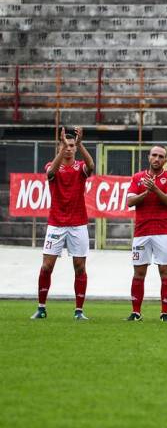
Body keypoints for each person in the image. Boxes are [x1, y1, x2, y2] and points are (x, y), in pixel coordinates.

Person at [33, 126, 94, 320]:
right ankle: (41, 308)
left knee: (80, 266)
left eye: (71, 146)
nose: (69, 148)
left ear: (75, 148)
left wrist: (80, 143)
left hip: (78, 224)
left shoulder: (80, 167)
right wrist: (61, 150)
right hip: (56, 223)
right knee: (47, 266)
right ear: (60, 146)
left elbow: (91, 166)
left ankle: (79, 311)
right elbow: (50, 173)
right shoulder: (53, 165)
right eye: (65, 145)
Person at [126, 145, 167, 321]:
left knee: (165, 271)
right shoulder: (138, 178)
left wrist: (155, 189)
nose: (157, 159)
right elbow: (130, 201)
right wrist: (146, 192)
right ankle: (136, 312)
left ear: (165, 160)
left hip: (162, 232)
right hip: (141, 231)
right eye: (154, 155)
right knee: (139, 273)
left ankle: (165, 313)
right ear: (148, 157)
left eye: (161, 156)